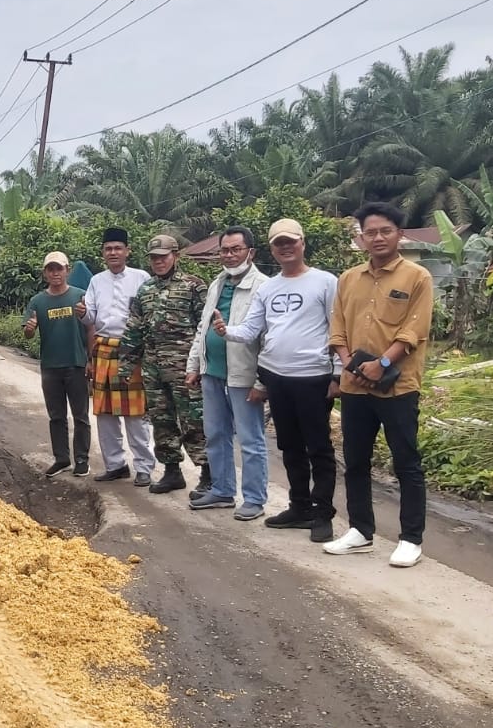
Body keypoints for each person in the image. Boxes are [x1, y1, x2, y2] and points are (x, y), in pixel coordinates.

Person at [212, 219, 342, 541]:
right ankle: (299, 507)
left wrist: (338, 373)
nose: (285, 248)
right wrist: (227, 331)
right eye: (278, 243)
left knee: (319, 448)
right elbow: (252, 329)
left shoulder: (325, 282)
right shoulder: (269, 287)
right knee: (290, 446)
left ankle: (322, 513)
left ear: (302, 243)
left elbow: (339, 329)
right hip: (277, 377)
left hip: (313, 377)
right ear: (271, 249)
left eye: (290, 242)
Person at [325, 201, 435, 567]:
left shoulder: (417, 277)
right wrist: (347, 365)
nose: (377, 238)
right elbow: (338, 327)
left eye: (385, 231)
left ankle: (411, 538)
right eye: (370, 232)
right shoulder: (348, 279)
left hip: (398, 385)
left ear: (399, 234)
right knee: (355, 460)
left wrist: (383, 362)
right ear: (361, 238)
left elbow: (414, 330)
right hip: (355, 386)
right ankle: (360, 530)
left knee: (406, 461)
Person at [185, 225, 271, 521]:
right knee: (216, 434)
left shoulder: (264, 286)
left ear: (251, 252)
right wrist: (194, 365)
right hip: (212, 372)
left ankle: (255, 498)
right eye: (225, 250)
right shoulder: (217, 283)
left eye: (236, 249)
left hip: (243, 375)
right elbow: (203, 327)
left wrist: (262, 381)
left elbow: (267, 338)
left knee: (250, 438)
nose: (230, 255)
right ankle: (222, 490)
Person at [117, 234, 207, 495]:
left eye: (163, 257)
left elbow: (205, 328)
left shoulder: (194, 286)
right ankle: (172, 471)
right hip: (153, 367)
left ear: (175, 256)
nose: (158, 262)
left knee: (194, 420)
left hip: (185, 369)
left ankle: (207, 473)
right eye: (154, 258)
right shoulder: (145, 290)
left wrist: (201, 365)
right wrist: (126, 365)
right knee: (162, 420)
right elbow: (133, 328)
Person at [78, 227, 157, 484]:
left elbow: (149, 315)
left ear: (127, 251)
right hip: (103, 349)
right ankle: (115, 465)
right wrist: (82, 312)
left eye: (118, 248)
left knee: (135, 413)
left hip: (131, 350)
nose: (113, 252)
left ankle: (144, 467)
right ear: (103, 253)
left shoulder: (142, 278)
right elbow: (90, 318)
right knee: (104, 413)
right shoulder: (96, 281)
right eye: (108, 248)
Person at [23, 251, 91, 477]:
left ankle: (82, 459)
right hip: (50, 367)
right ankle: (61, 459)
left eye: (59, 268)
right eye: (50, 269)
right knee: (56, 416)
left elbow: (91, 327)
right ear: (45, 273)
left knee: (81, 416)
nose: (55, 273)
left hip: (77, 364)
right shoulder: (37, 301)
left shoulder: (80, 296)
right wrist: (30, 329)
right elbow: (28, 333)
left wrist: (90, 359)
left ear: (67, 270)